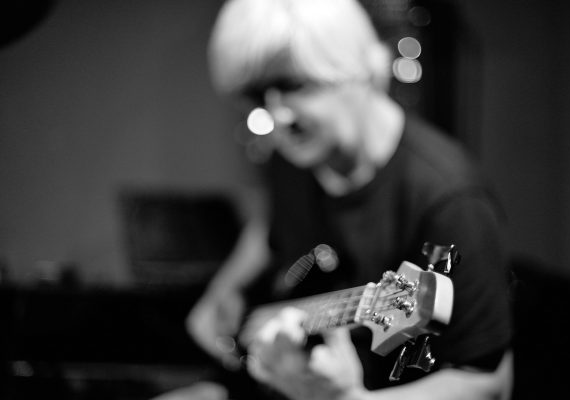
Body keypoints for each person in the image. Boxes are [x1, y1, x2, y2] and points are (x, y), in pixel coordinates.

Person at [184, 0, 513, 399]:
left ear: (358, 69)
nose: (277, 116)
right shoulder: (293, 155)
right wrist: (226, 288)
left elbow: (487, 383)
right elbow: (270, 226)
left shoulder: (451, 201)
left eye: (294, 85)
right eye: (257, 94)